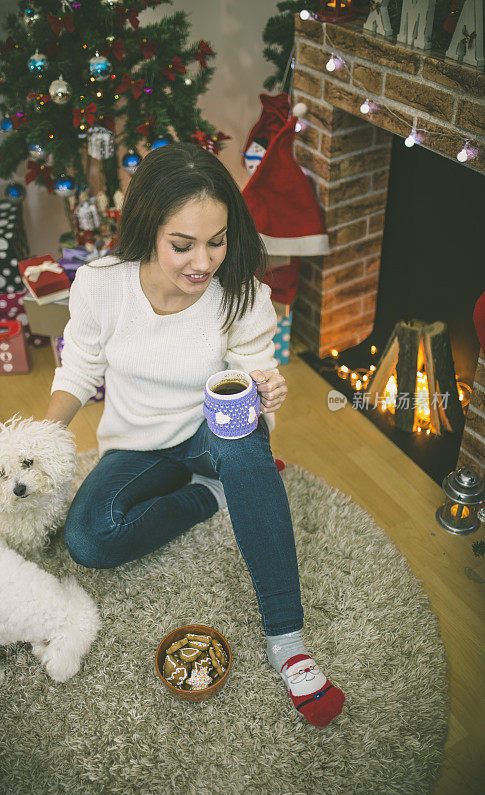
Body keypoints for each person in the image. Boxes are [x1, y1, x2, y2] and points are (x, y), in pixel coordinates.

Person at [45, 143, 344, 727]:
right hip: (138, 444)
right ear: (148, 231)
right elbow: (79, 369)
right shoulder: (102, 286)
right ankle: (211, 495)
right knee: (88, 540)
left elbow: (250, 378)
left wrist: (265, 397)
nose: (203, 262)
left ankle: (287, 637)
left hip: (214, 432)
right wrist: (38, 436)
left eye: (218, 240)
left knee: (241, 443)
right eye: (183, 245)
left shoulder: (242, 295)